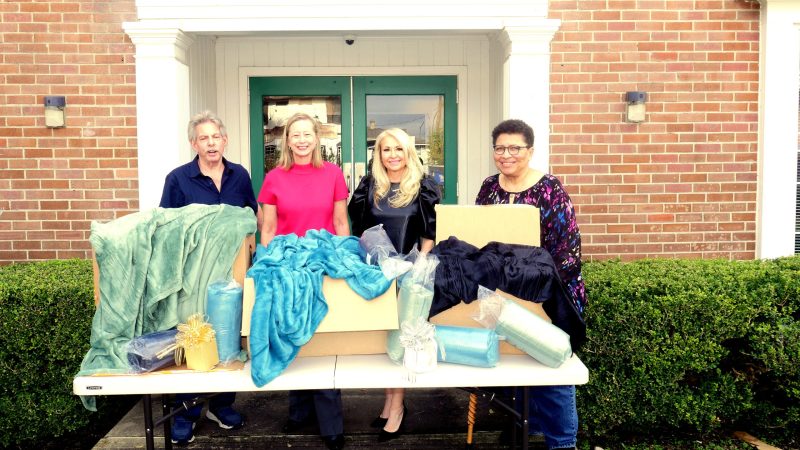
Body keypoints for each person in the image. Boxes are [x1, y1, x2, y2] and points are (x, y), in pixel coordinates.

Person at [475, 119, 586, 450]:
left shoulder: (549, 189)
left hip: (547, 296)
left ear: (530, 150)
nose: (506, 155)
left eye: (515, 148)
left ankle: (561, 442)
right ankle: (522, 427)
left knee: (553, 371)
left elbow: (568, 251)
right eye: (499, 148)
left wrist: (537, 289)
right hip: (505, 295)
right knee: (512, 364)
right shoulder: (489, 188)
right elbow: (480, 239)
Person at [159, 111, 259, 445]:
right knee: (193, 336)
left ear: (225, 140)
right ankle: (185, 410)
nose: (211, 143)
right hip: (193, 275)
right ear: (194, 143)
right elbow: (167, 229)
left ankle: (221, 404)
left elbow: (251, 220)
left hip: (232, 275)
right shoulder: (178, 179)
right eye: (204, 138)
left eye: (216, 136)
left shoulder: (239, 176)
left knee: (228, 337)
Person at [258, 112, 350, 450]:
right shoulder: (274, 178)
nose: (300, 140)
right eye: (294, 134)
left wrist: (344, 259)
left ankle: (331, 424)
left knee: (322, 339)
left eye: (306, 134)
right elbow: (267, 229)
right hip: (286, 267)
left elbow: (341, 222)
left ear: (317, 138)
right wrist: (266, 264)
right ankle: (298, 411)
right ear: (287, 140)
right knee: (292, 332)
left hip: (322, 264)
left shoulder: (333, 174)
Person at [347, 128, 441, 442]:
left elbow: (429, 234)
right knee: (386, 339)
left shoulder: (423, 186)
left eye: (398, 149)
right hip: (379, 272)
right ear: (379, 154)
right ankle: (388, 400)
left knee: (401, 338)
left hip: (409, 273)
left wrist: (418, 270)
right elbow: (359, 228)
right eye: (386, 150)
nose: (393, 156)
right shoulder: (370, 185)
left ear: (408, 152)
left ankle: (398, 406)